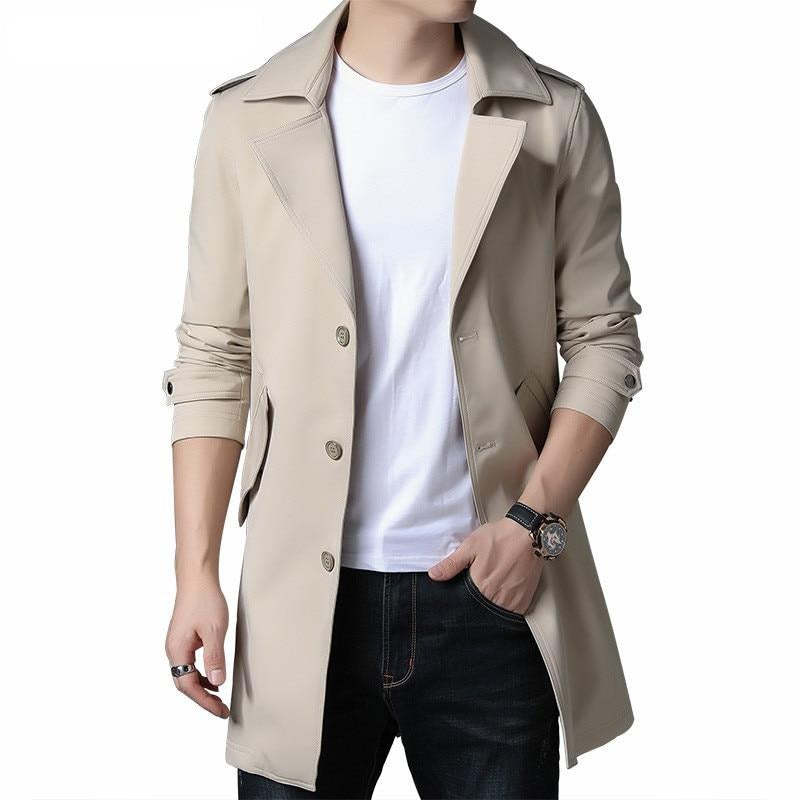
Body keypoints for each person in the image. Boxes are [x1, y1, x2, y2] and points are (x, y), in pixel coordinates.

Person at [163, 1, 643, 797]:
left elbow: (604, 337)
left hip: (492, 602)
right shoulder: (246, 118)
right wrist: (196, 572)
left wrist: (531, 526)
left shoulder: (552, 116)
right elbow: (217, 355)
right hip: (300, 607)